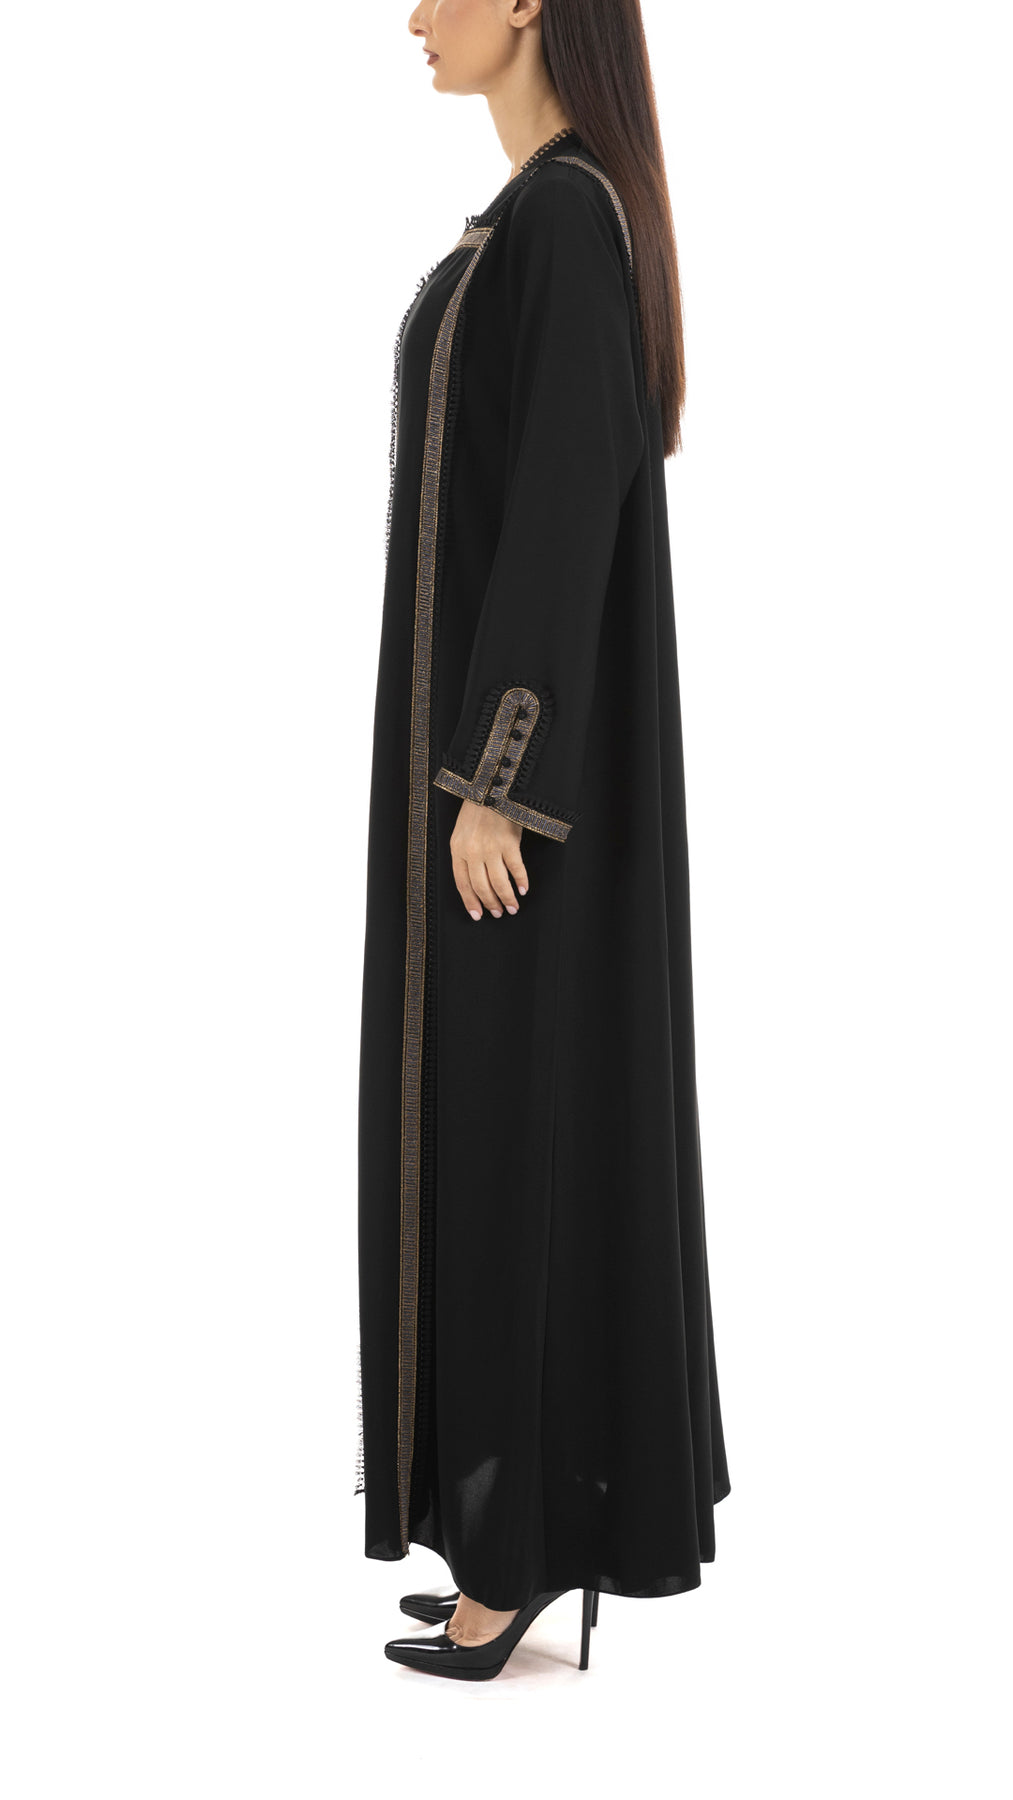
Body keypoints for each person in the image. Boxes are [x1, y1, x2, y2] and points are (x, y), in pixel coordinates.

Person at [356, 0, 731, 1681]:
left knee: (515, 1133)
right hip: (477, 782)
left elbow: (570, 502)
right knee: (491, 1127)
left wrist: (497, 777)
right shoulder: (532, 218)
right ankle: (502, 1532)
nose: (412, 15)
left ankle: (517, 1552)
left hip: (512, 803)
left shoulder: (567, 218)